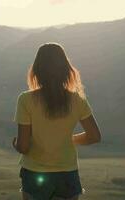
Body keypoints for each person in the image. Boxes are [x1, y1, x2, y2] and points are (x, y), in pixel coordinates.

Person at [13, 42, 101, 200]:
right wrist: (68, 140)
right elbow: (94, 136)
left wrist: (16, 144)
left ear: (37, 70)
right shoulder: (77, 100)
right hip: (67, 174)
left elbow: (24, 146)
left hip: (34, 173)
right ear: (66, 70)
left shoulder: (25, 100)